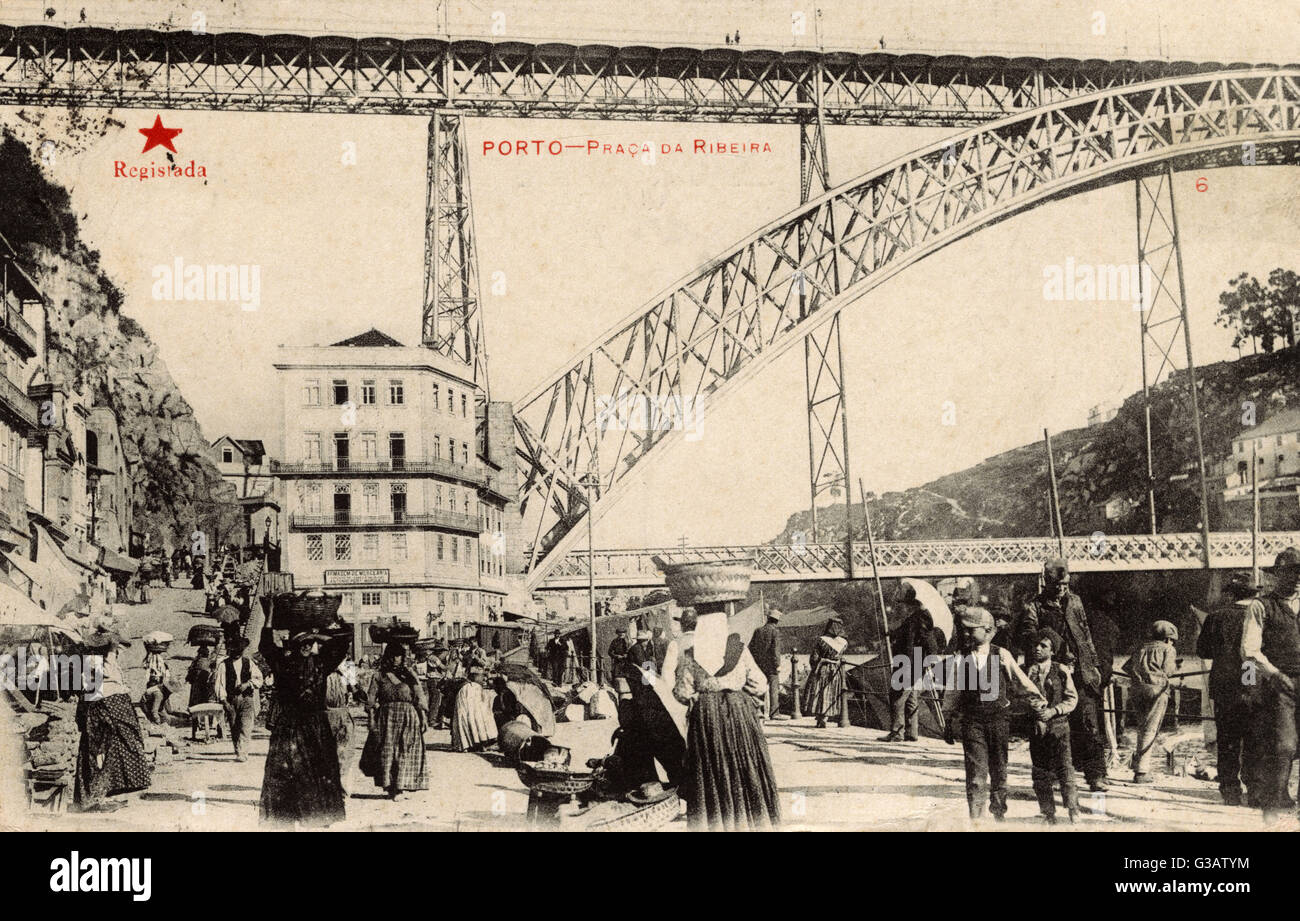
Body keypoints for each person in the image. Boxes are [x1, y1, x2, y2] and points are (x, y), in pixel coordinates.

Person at [673, 600, 780, 830]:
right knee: (743, 765)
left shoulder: (691, 654)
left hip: (707, 716)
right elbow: (760, 684)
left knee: (711, 770)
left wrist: (702, 694)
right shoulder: (738, 649)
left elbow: (682, 693)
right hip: (738, 712)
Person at [942, 607, 1048, 822]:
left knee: (999, 771)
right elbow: (952, 692)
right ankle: (977, 821)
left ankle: (999, 814)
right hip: (972, 723)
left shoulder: (1001, 654)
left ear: (987, 630)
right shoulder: (961, 658)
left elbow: (1022, 683)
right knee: (976, 776)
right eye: (964, 630)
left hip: (999, 720)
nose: (967, 634)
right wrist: (948, 719)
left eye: (972, 630)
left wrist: (1040, 706)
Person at [258, 595, 352, 826]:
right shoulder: (283, 663)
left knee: (318, 771)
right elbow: (266, 645)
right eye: (303, 643)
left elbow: (343, 641)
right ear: (293, 644)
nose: (308, 646)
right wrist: (270, 612)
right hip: (290, 725)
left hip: (314, 725)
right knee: (286, 772)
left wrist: (327, 624)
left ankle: (318, 815)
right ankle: (288, 818)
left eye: (310, 643)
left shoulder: (321, 664)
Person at [1019, 558, 1109, 791]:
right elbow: (1031, 641)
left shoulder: (1075, 601)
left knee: (1089, 723)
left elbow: (1085, 635)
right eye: (1057, 584)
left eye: (1065, 584)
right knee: (1053, 725)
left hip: (1081, 671)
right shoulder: (1034, 607)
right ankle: (1054, 775)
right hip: (1054, 674)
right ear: (1046, 582)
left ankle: (1096, 775)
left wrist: (1095, 666)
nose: (1061, 589)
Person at [1240, 547, 1300, 821]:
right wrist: (1274, 675)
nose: (1297, 577)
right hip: (1279, 684)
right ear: (1277, 574)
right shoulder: (1261, 606)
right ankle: (1275, 800)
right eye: (1291, 571)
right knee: (1284, 743)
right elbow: (1249, 651)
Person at [1197, 572, 1259, 806]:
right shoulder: (1261, 617)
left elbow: (1203, 652)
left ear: (1231, 595)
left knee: (1228, 740)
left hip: (1225, 688)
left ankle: (1230, 790)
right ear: (1254, 595)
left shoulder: (1216, 618)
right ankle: (1254, 789)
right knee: (1254, 740)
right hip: (1254, 685)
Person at [73, 629, 152, 812]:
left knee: (105, 751)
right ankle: (97, 799)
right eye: (115, 648)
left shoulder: (100, 663)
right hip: (103, 707)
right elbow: (96, 690)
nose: (118, 651)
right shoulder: (99, 664)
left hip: (101, 707)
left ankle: (106, 795)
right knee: (100, 753)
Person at [361, 642, 429, 800]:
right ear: (387, 657)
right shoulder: (379, 675)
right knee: (388, 751)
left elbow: (419, 696)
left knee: (406, 749)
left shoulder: (410, 674)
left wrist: (423, 717)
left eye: (398, 655)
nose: (395, 659)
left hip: (408, 715)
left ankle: (401, 786)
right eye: (392, 655)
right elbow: (371, 699)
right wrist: (371, 720)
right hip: (387, 717)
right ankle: (391, 787)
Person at [1025, 628, 1079, 823]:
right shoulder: (1028, 672)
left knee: (1065, 769)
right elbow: (1021, 696)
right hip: (1037, 729)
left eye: (1043, 646)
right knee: (1040, 771)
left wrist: (1053, 711)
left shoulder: (1061, 670)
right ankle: (1048, 813)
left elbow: (1072, 700)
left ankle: (1073, 810)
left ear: (1053, 650)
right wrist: (1036, 712)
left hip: (1059, 727)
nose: (1037, 649)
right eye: (1035, 645)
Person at [1123, 621, 1179, 784]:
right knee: (1150, 729)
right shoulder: (1168, 649)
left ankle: (1137, 766)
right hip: (1157, 690)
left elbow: (1126, 667)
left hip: (1136, 690)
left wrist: (1143, 671)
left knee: (1142, 728)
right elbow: (1168, 671)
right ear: (1168, 638)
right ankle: (1142, 772)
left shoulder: (1141, 647)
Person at [885, 590, 939, 741]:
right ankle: (911, 732)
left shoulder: (921, 619)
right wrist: (891, 634)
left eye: (906, 604)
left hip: (909, 664)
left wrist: (929, 660)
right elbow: (905, 634)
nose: (904, 607)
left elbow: (929, 642)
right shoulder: (915, 618)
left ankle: (897, 733)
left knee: (897, 697)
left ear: (913, 604)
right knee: (911, 698)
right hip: (912, 663)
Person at [214, 636, 264, 761]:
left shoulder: (249, 663)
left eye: (239, 651)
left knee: (246, 726)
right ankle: (237, 749)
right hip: (231, 700)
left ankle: (243, 752)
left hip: (247, 698)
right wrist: (224, 701)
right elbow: (219, 684)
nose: (237, 653)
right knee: (234, 726)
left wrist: (248, 684)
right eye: (235, 651)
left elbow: (259, 678)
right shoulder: (223, 665)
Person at [801, 616, 847, 728]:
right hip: (835, 671)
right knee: (832, 693)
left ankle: (821, 717)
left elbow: (814, 658)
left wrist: (817, 663)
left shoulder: (821, 640)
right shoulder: (844, 643)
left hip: (823, 669)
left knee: (821, 692)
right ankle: (826, 717)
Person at [324, 659, 356, 792]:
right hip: (324, 714)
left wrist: (347, 675)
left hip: (342, 714)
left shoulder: (347, 670)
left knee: (344, 753)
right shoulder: (320, 670)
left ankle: (342, 788)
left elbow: (357, 691)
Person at [451, 663, 497, 752]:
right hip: (469, 708)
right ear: (474, 676)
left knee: (468, 720)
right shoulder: (473, 687)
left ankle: (468, 743)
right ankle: (474, 742)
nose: (484, 679)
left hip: (466, 708)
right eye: (481, 676)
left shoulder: (469, 686)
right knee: (474, 719)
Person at [748, 608, 783, 719]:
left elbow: (751, 647)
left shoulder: (758, 630)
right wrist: (778, 664)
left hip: (759, 664)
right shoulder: (775, 631)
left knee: (760, 686)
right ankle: (774, 713)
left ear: (768, 618)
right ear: (776, 621)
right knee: (774, 688)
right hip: (771, 665)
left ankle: (760, 711)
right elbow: (775, 650)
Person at [185, 644, 219, 741]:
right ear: (207, 654)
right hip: (205, 689)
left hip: (196, 690)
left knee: (194, 709)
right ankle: (214, 729)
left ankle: (194, 732)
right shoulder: (208, 662)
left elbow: (188, 678)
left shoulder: (195, 662)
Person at [140, 647, 171, 724]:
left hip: (154, 687)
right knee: (155, 714)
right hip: (147, 703)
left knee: (167, 720)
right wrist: (158, 721)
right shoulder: (159, 694)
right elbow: (154, 710)